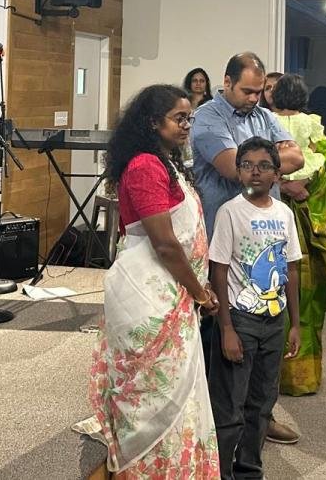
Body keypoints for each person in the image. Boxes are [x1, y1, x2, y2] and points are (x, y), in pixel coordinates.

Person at [80, 85, 220, 477]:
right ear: (153, 122)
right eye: (179, 118)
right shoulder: (145, 166)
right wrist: (200, 292)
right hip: (150, 294)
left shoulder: (166, 163)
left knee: (178, 392)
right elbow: (165, 244)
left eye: (189, 118)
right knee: (152, 396)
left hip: (174, 290)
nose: (187, 125)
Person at [190, 52, 304, 445]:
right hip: (223, 241)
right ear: (226, 82)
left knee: (266, 334)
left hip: (265, 242)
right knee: (222, 333)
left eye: (260, 92)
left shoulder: (263, 115)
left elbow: (297, 156)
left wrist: (255, 159)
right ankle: (219, 426)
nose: (256, 98)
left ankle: (261, 418)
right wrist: (268, 161)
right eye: (247, 91)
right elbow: (229, 167)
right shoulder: (207, 117)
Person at [208, 138, 302, 480]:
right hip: (240, 320)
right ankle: (221, 473)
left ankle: (249, 470)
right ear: (238, 172)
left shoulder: (284, 214)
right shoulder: (230, 212)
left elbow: (291, 268)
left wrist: (295, 323)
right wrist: (226, 328)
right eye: (247, 165)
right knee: (230, 406)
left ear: (277, 174)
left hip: (274, 321)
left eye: (264, 166)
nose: (255, 172)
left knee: (262, 402)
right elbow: (218, 270)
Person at [267, 73, 326, 396]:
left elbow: (253, 167)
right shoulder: (313, 125)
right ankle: (302, 376)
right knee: (305, 291)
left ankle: (269, 377)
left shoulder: (265, 123)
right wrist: (300, 185)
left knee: (270, 286)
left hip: (270, 213)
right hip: (306, 219)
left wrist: (280, 185)